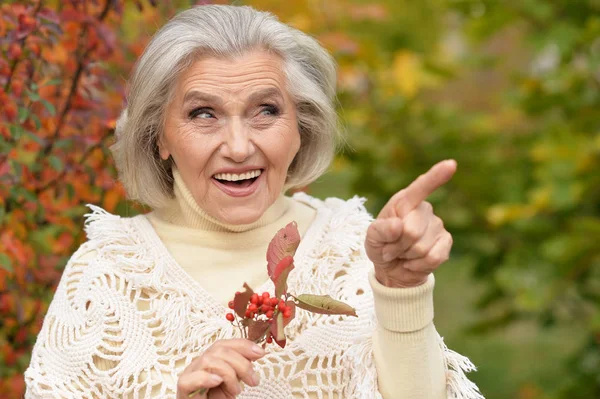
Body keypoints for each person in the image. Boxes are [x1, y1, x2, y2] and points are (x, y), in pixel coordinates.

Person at [24, 5, 483, 399]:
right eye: (203, 114)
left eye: (266, 110)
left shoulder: (352, 250)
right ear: (158, 136)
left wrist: (401, 289)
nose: (240, 147)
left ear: (300, 126)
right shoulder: (109, 272)